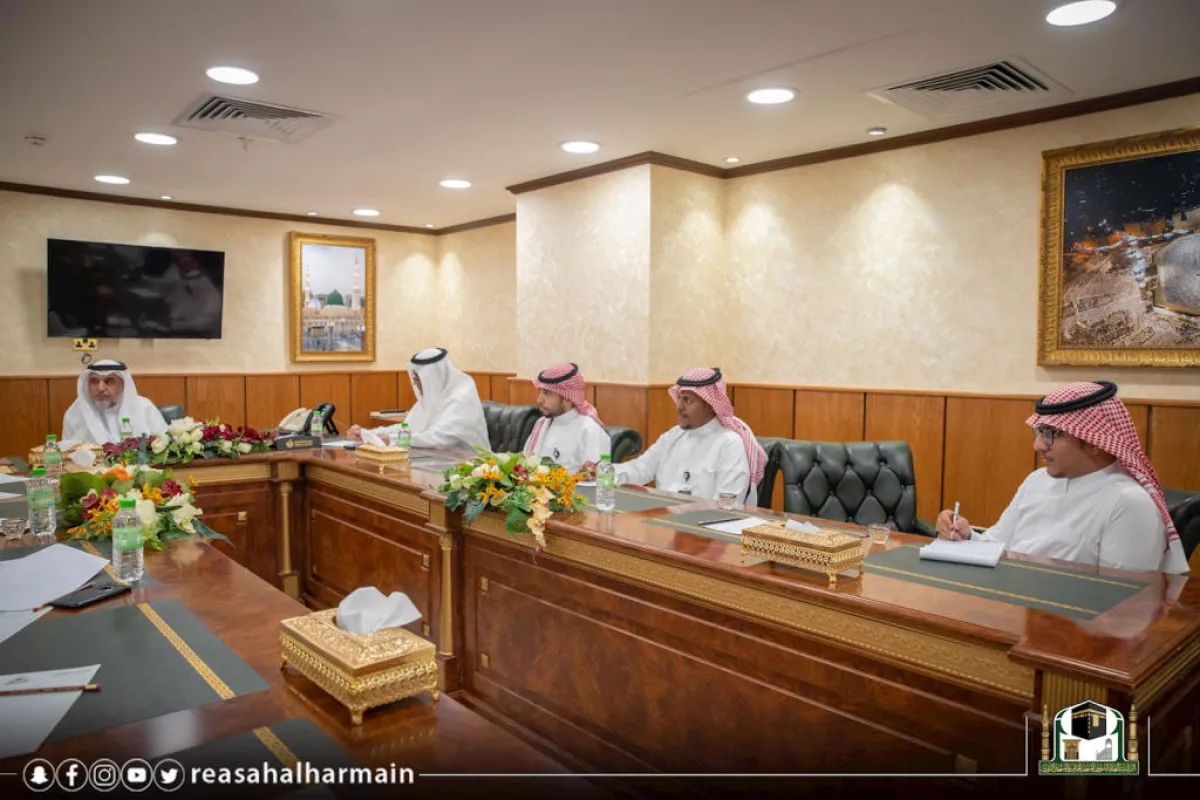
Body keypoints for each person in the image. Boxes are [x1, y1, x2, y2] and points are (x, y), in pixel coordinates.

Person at [936, 381, 1188, 574]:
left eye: (1051, 434)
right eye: (1039, 432)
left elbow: (1123, 600)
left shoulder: (1129, 503)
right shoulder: (1037, 480)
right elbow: (998, 545)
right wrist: (967, 536)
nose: (1037, 446)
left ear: (1094, 442)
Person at [585, 367, 766, 505]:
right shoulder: (673, 436)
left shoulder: (730, 444)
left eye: (688, 400)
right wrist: (602, 472)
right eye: (679, 398)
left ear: (710, 405)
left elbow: (727, 505)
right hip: (664, 525)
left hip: (705, 534)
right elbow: (641, 469)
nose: (679, 406)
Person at [348, 348, 489, 452]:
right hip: (434, 463)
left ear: (433, 376)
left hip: (469, 471)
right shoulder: (431, 398)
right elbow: (405, 428)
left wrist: (391, 439)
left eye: (418, 378)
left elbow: (436, 439)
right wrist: (369, 434)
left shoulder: (461, 398)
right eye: (414, 378)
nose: (415, 383)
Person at [522, 363, 610, 472]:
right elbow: (526, 461)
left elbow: (599, 476)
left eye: (547, 393)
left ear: (568, 398)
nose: (539, 400)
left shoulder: (590, 430)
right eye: (540, 392)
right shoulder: (541, 423)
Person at [62, 359, 169, 445]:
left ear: (123, 384)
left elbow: (165, 444)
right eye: (94, 381)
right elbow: (67, 452)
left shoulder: (144, 407)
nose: (100, 388)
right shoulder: (76, 412)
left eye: (109, 381)